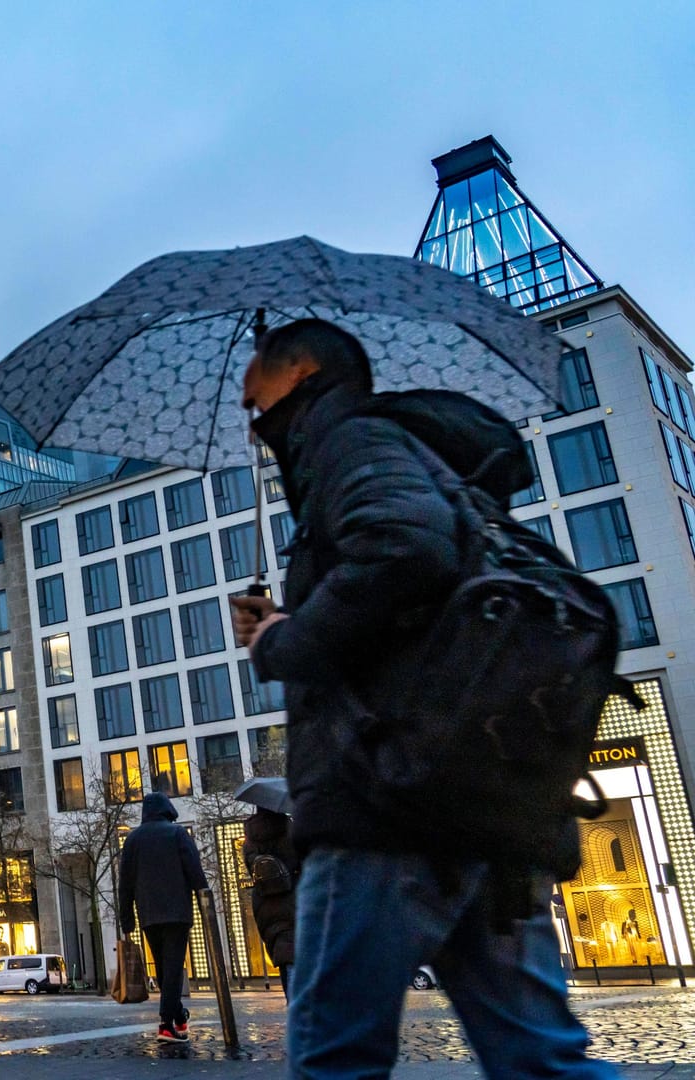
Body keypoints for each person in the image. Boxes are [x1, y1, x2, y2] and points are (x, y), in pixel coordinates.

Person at [230, 318, 612, 1077]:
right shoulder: (419, 456)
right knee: (539, 1055)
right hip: (479, 802)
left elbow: (406, 547)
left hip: (388, 798)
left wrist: (279, 640)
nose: (250, 410)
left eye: (257, 390)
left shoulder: (349, 442)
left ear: (300, 373)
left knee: (335, 1056)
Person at [117, 790, 207, 1043]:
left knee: (164, 967)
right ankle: (166, 1023)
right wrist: (204, 904)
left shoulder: (133, 840)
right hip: (177, 912)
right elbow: (195, 871)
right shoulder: (177, 834)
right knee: (173, 968)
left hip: (149, 914)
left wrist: (127, 919)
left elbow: (125, 883)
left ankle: (178, 1016)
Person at [241, 806, 299, 997]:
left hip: (265, 903)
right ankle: (301, 1008)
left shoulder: (250, 838)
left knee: (283, 953)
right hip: (294, 899)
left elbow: (252, 868)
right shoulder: (292, 830)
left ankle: (292, 1003)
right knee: (299, 953)